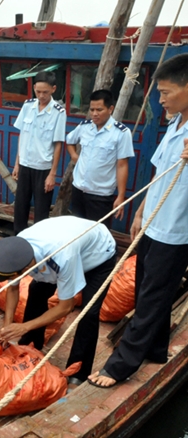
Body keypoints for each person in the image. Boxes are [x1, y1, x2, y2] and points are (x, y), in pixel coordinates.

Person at [89, 54, 188, 389]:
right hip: (155, 222)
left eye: (166, 92)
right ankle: (156, 350)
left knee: (151, 299)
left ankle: (120, 367)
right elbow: (161, 173)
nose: (160, 100)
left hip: (177, 232)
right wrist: (142, 209)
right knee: (147, 290)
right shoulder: (176, 123)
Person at [0, 216, 117, 385]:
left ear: (25, 269)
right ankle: (31, 345)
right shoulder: (17, 251)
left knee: (88, 313)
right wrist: (7, 328)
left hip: (97, 256)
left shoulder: (62, 257)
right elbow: (13, 287)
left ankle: (78, 372)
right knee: (35, 291)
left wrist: (24, 326)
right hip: (63, 248)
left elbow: (66, 307)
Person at [66, 89, 134, 228]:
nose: (94, 114)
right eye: (92, 109)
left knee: (98, 234)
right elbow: (69, 140)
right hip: (78, 189)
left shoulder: (121, 133)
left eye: (99, 109)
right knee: (77, 231)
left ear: (110, 109)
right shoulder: (84, 127)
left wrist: (121, 196)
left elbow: (122, 165)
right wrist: (74, 155)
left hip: (100, 195)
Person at [12, 71, 67, 234]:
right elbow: (22, 136)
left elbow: (58, 144)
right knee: (20, 206)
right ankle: (18, 240)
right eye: (38, 91)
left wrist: (53, 174)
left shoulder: (58, 112)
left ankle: (39, 244)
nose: (41, 95)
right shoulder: (28, 106)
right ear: (34, 88)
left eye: (46, 92)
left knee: (41, 211)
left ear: (54, 89)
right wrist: (17, 163)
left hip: (43, 168)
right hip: (25, 165)